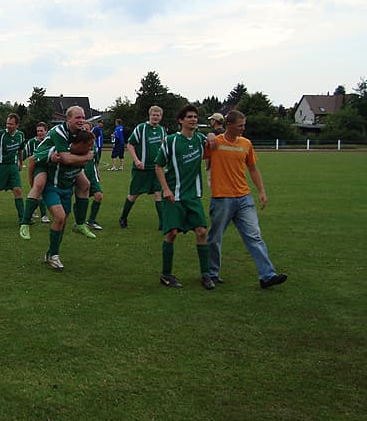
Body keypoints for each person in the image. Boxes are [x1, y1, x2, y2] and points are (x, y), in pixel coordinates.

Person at [205, 110, 288, 289]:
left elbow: (252, 168)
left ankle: (267, 276)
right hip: (222, 199)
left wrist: (261, 191)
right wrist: (209, 134)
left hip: (244, 198)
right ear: (229, 125)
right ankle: (211, 273)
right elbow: (195, 145)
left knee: (254, 236)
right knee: (215, 238)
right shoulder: (215, 143)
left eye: (244, 125)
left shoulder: (246, 144)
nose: (243, 128)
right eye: (240, 125)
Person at [154, 105, 214, 290]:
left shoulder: (200, 139)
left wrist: (212, 136)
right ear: (181, 120)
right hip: (174, 195)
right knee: (172, 233)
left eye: (195, 117)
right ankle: (165, 275)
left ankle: (206, 274)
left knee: (202, 232)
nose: (193, 119)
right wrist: (166, 189)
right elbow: (158, 165)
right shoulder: (171, 141)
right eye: (189, 117)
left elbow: (214, 142)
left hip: (193, 195)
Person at [19, 106, 93, 241]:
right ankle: (25, 222)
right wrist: (86, 157)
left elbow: (76, 153)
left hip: (55, 161)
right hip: (42, 159)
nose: (81, 120)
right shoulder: (60, 131)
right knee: (40, 184)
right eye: (78, 117)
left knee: (85, 184)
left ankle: (80, 223)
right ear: (68, 119)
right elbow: (66, 158)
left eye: (83, 117)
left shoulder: (80, 132)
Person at [36, 129, 95, 270]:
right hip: (52, 188)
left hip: (66, 190)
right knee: (60, 217)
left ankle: (51, 252)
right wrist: (35, 186)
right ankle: (54, 256)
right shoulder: (60, 150)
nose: (91, 148)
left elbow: (78, 172)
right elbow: (34, 159)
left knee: (63, 221)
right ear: (81, 144)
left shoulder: (86, 153)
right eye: (90, 144)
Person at [119, 107, 166, 229]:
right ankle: (123, 217)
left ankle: (163, 223)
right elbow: (130, 144)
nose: (156, 117)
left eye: (158, 115)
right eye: (154, 115)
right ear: (149, 115)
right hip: (141, 169)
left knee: (158, 194)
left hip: (156, 169)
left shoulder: (162, 130)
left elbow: (164, 146)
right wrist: (136, 160)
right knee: (134, 194)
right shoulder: (141, 128)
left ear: (161, 117)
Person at [22, 122, 49, 223]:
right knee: (39, 191)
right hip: (36, 170)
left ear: (46, 131)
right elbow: (24, 154)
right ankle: (44, 215)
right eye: (38, 131)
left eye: (41, 131)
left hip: (48, 170)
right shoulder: (32, 142)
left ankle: (32, 209)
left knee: (41, 192)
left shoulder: (50, 141)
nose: (39, 133)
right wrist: (18, 163)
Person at [81, 122, 104, 231]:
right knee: (80, 199)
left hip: (92, 174)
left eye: (87, 129)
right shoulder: (77, 143)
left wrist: (98, 172)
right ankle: (79, 221)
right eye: (83, 129)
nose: (85, 130)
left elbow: (96, 160)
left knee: (99, 196)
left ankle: (91, 221)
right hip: (80, 174)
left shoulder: (93, 144)